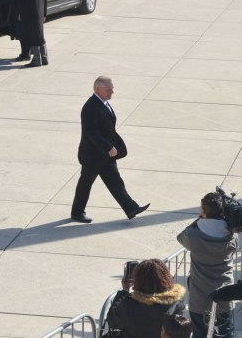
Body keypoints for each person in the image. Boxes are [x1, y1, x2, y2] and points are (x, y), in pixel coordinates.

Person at [71, 76, 150, 223]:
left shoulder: (104, 103)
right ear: (97, 89)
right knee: (85, 184)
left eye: (112, 88)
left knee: (115, 182)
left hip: (106, 155)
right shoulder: (90, 107)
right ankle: (77, 212)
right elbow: (92, 132)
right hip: (93, 156)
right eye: (108, 90)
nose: (112, 92)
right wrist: (108, 146)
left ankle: (131, 208)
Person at [176, 192, 237, 338]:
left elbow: (181, 237)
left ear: (203, 211)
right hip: (225, 296)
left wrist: (199, 220)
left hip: (200, 299)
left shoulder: (194, 236)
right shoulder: (232, 235)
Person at [106, 259, 186, 338]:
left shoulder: (129, 303)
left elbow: (113, 321)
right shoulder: (175, 303)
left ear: (137, 280)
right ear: (166, 277)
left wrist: (124, 291)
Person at [19, 0, 48, 67]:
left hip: (30, 16)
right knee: (40, 37)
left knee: (33, 38)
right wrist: (44, 14)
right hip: (40, 15)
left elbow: (18, 0)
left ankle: (36, 60)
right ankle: (44, 58)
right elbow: (45, 1)